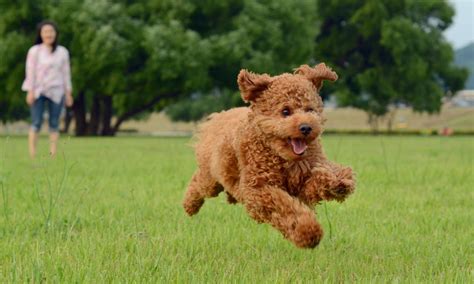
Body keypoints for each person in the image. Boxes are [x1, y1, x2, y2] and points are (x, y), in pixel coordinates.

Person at [22, 20, 73, 159]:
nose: (48, 34)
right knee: (36, 122)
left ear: (56, 34)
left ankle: (53, 155)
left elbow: (66, 73)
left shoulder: (62, 52)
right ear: (40, 34)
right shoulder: (34, 51)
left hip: (57, 91)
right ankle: (32, 155)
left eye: (51, 31)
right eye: (45, 31)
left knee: (54, 123)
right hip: (38, 91)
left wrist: (68, 93)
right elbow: (30, 72)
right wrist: (30, 91)